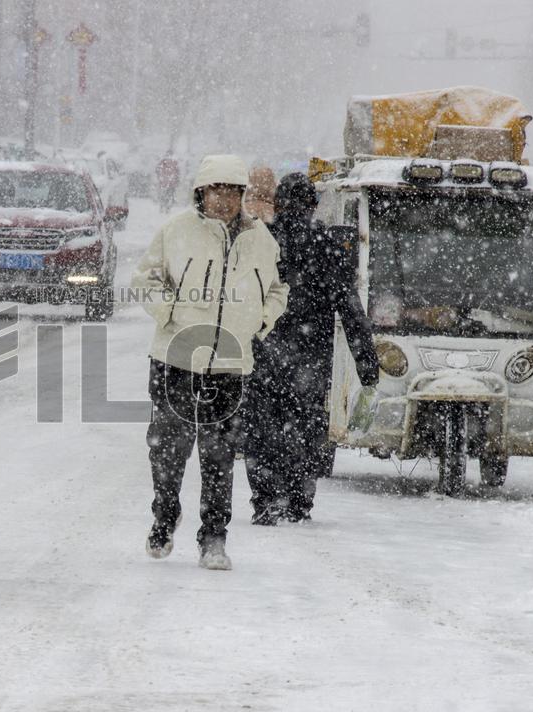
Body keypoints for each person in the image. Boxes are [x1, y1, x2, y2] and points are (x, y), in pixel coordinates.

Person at [132, 154, 289, 570]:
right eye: (216, 190)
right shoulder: (176, 231)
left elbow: (277, 289)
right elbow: (145, 279)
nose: (224, 199)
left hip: (230, 366)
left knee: (219, 457)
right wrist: (167, 311)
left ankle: (214, 538)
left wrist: (261, 320)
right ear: (201, 192)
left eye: (233, 191)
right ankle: (165, 517)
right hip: (175, 360)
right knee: (168, 451)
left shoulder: (260, 239)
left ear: (243, 195)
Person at [240, 172, 379, 525]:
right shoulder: (328, 246)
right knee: (305, 428)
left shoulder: (260, 242)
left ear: (277, 204)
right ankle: (299, 500)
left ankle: (266, 499)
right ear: (313, 205)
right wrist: (367, 366)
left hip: (263, 353)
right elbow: (351, 310)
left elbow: (240, 299)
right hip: (311, 358)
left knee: (261, 428)